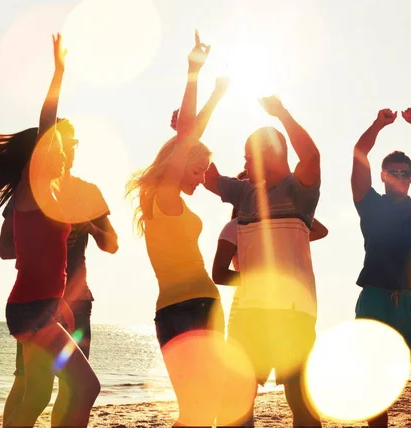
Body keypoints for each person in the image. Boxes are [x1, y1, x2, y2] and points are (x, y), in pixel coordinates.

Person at [0, 34, 100, 427]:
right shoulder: (33, 184)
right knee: (86, 387)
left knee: (37, 392)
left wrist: (61, 302)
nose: (64, 150)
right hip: (30, 310)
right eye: (56, 145)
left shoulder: (51, 193)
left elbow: (47, 263)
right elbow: (47, 121)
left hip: (38, 307)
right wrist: (58, 73)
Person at [125, 31, 229, 427]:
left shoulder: (154, 202)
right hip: (198, 307)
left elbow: (184, 141)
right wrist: (197, 76)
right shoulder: (165, 198)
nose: (201, 177)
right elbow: (188, 137)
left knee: (194, 412)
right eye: (196, 167)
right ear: (176, 161)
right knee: (205, 410)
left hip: (167, 313)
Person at [204, 95, 323, 427]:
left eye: (248, 154)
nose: (244, 160)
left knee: (300, 399)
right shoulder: (244, 193)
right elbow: (209, 178)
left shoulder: (299, 190)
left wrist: (282, 113)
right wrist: (187, 134)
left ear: (270, 153)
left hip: (293, 313)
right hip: (251, 314)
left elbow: (312, 156)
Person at [0, 118, 118, 425]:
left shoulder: (88, 192)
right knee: (30, 386)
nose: (69, 150)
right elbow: (4, 249)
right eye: (63, 144)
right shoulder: (31, 189)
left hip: (76, 301)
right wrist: (43, 237)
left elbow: (112, 244)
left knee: (71, 387)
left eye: (73, 144)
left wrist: (88, 226)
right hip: (37, 302)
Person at [351, 107, 411, 427]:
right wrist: (379, 124)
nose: (398, 177)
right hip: (375, 299)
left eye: (404, 173)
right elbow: (360, 152)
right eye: (392, 172)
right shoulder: (369, 203)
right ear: (382, 175)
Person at [212, 170, 328, 426]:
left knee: (298, 394)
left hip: (288, 312)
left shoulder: (278, 224)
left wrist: (292, 209)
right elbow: (218, 274)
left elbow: (320, 230)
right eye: (248, 189)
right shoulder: (234, 228)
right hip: (248, 313)